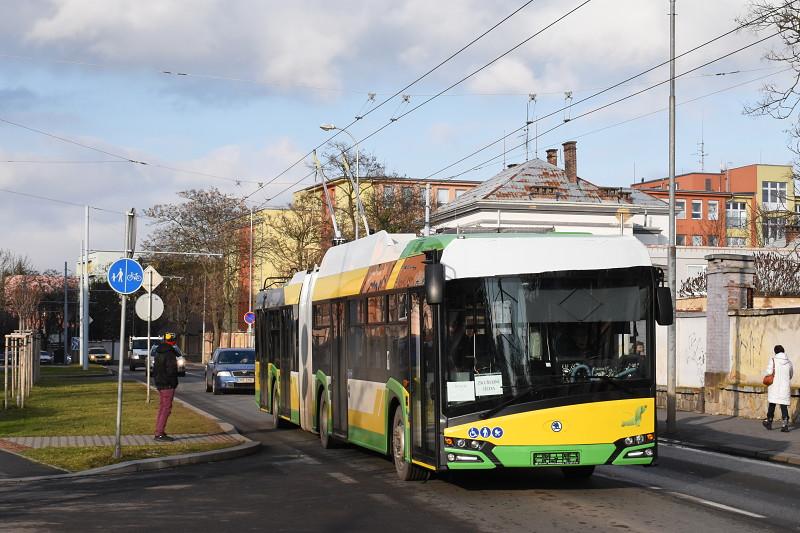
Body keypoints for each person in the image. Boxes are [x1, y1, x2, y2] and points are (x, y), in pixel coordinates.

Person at [153, 332, 180, 441]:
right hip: (167, 384)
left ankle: (159, 431)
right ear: (173, 341)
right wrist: (173, 383)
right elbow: (171, 371)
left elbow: (155, 369)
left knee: (162, 408)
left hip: (160, 383)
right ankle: (159, 433)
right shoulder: (169, 353)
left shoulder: (159, 352)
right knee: (166, 409)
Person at [762, 344, 794, 432]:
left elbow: (769, 372)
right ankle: (785, 425)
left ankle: (769, 421)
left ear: (775, 352)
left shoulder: (773, 360)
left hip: (774, 387)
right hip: (784, 387)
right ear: (783, 351)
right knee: (783, 405)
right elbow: (790, 375)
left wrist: (764, 374)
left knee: (772, 404)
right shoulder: (789, 362)